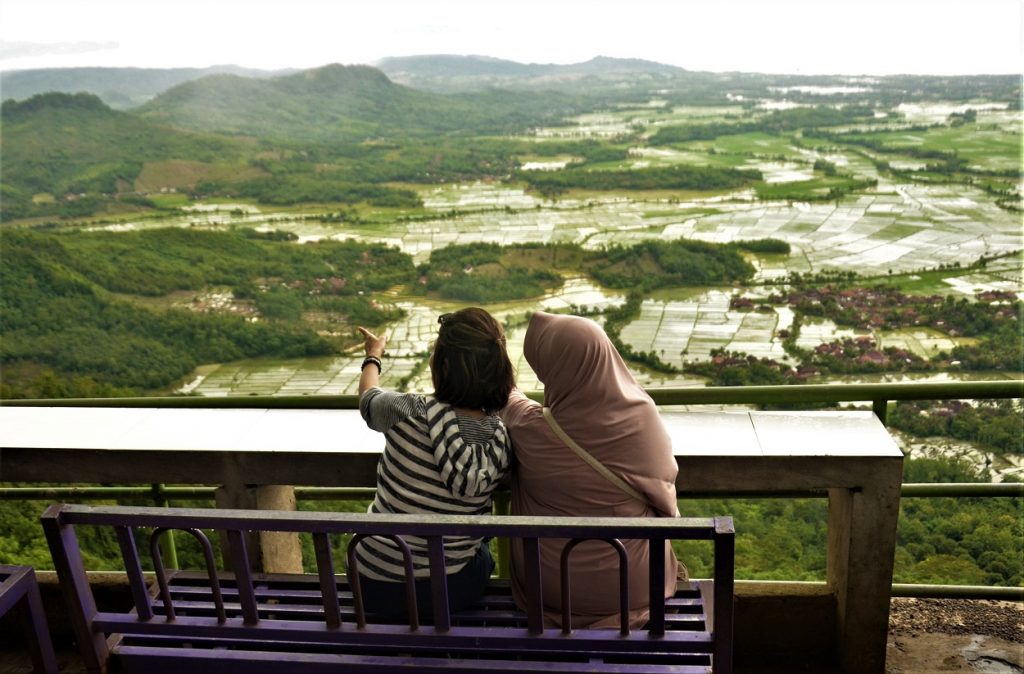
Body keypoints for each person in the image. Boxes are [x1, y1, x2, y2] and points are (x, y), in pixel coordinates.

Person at [500, 311, 681, 629]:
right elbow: (666, 505)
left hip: (551, 590)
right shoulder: (642, 419)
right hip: (634, 587)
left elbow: (505, 394)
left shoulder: (528, 426)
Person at [353, 307, 515, 622]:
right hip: (450, 590)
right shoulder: (501, 440)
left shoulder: (404, 411)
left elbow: (367, 398)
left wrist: (374, 355)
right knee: (481, 553)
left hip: (373, 582)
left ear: (437, 365)